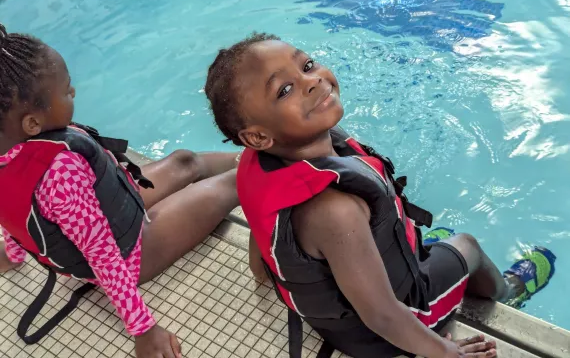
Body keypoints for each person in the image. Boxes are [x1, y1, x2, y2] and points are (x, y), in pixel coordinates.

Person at [204, 33, 556, 358]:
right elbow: (383, 315)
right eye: (284, 90)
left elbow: (264, 227)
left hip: (331, 310)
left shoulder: (260, 162)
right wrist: (448, 353)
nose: (312, 82)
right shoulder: (335, 212)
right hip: (385, 327)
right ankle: (509, 291)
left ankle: (413, 250)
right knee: (468, 245)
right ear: (258, 136)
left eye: (307, 65)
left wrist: (266, 276)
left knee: (424, 242)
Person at [0, 24, 240, 358]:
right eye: (67, 91)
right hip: (131, 255)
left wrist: (11, 254)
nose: (74, 93)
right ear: (31, 124)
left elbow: (11, 210)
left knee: (185, 161)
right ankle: (279, 158)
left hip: (109, 207)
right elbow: (102, 252)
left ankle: (250, 153)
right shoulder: (59, 173)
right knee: (229, 188)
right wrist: (143, 330)